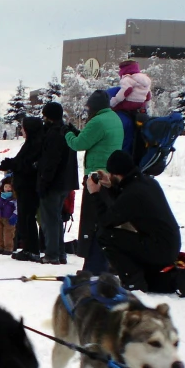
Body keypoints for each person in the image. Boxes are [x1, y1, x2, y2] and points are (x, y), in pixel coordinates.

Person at [86, 150, 181, 292]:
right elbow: (124, 205)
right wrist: (110, 187)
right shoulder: (147, 182)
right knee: (119, 235)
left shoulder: (133, 194)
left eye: (111, 174)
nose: (109, 176)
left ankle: (133, 282)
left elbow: (106, 220)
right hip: (168, 245)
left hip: (160, 249)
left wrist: (94, 194)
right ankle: (146, 278)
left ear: (117, 174)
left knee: (106, 236)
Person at [65, 90, 124, 273]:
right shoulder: (114, 118)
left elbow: (78, 144)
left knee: (92, 222)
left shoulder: (98, 121)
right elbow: (93, 139)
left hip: (96, 177)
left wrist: (68, 133)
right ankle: (107, 262)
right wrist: (78, 133)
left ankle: (92, 266)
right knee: (105, 221)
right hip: (112, 176)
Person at [38, 102, 79, 264]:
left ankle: (52, 253)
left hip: (54, 182)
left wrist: (44, 181)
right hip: (66, 182)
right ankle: (60, 253)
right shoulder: (67, 131)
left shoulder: (54, 134)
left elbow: (51, 162)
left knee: (50, 219)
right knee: (56, 218)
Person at [6, 117, 43, 261]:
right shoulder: (29, 144)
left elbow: (27, 165)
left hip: (29, 187)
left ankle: (32, 249)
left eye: (23, 128)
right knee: (24, 218)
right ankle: (27, 247)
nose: (22, 130)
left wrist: (14, 165)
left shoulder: (35, 145)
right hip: (23, 186)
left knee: (28, 218)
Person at [0, 176, 18, 254]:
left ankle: (8, 247)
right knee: (0, 232)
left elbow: (17, 209)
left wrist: (14, 216)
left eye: (9, 187)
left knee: (8, 234)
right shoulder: (1, 197)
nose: (7, 188)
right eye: (5, 187)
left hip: (9, 219)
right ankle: (1, 246)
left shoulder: (13, 199)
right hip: (1, 218)